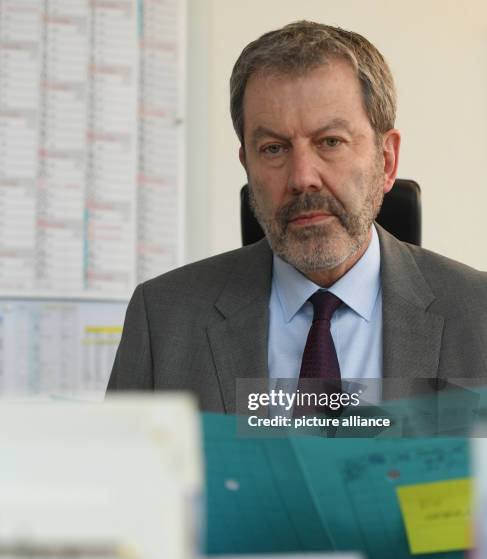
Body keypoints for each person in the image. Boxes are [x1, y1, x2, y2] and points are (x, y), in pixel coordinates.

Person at [107, 21, 487, 410]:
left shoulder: (479, 316)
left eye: (330, 142)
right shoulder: (163, 319)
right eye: (273, 149)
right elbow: (118, 471)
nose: (302, 178)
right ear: (248, 167)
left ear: (386, 161)